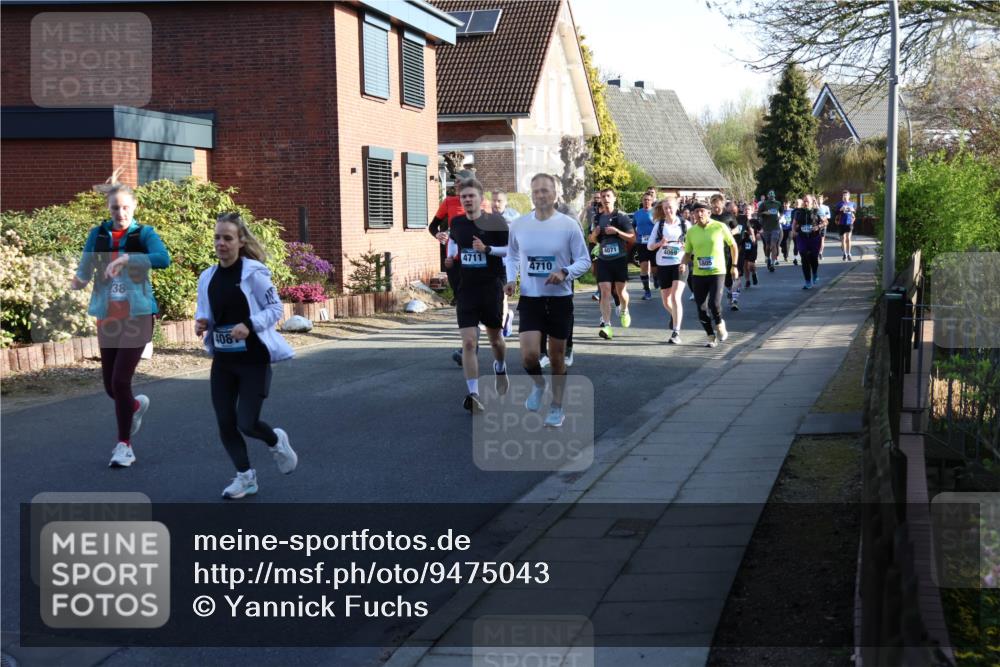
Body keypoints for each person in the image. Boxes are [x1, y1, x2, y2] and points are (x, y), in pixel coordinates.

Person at [194, 213, 298, 499]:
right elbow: (204, 310)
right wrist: (201, 322)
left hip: (254, 360)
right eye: (217, 237)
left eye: (227, 238)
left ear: (240, 241)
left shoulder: (254, 274)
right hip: (224, 361)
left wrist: (249, 325)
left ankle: (276, 441)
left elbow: (276, 310)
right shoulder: (208, 277)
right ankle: (246, 477)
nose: (221, 243)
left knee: (246, 423)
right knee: (225, 422)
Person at [71, 178, 171, 468]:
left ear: (134, 207)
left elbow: (163, 259)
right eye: (115, 208)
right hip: (108, 317)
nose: (121, 213)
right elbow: (86, 266)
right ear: (109, 208)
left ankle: (124, 445)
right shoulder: (98, 234)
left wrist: (128, 258)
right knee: (111, 388)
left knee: (120, 380)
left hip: (138, 315)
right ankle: (135, 406)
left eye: (126, 207)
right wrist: (78, 281)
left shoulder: (144, 234)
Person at [505, 173, 591, 427]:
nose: (540, 195)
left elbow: (584, 260)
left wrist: (565, 272)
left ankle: (557, 406)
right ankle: (539, 385)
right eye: (536, 191)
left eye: (545, 190)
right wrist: (511, 279)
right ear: (531, 195)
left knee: (556, 357)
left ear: (555, 194)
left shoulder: (568, 225)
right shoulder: (520, 225)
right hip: (531, 298)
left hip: (560, 299)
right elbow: (512, 255)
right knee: (529, 356)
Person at [444, 178, 509, 413]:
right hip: (467, 289)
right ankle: (474, 393)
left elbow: (511, 251)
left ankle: (500, 366)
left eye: (472, 196)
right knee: (469, 342)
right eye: (464, 197)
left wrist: (488, 250)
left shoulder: (496, 222)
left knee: (495, 341)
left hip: (491, 287)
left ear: (481, 200)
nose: (468, 200)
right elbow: (454, 242)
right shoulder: (458, 223)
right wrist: (450, 257)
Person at [684, 201, 738, 348]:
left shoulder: (719, 227)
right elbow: (688, 252)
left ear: (709, 213)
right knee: (701, 308)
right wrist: (682, 263)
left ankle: (720, 323)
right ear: (693, 214)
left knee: (714, 304)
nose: (699, 214)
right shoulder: (691, 231)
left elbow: (733, 245)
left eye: (702, 211)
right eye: (696, 212)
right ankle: (710, 335)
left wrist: (734, 266)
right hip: (698, 273)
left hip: (717, 271)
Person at [589, 188, 635, 339]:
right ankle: (607, 325)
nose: (605, 199)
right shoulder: (597, 218)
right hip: (603, 259)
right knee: (605, 291)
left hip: (619, 259)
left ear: (614, 198)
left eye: (608, 196)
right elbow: (592, 240)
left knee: (620, 292)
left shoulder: (621, 217)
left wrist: (616, 231)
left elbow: (632, 238)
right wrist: (594, 235)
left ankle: (624, 309)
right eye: (603, 196)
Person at [647, 195, 688, 343]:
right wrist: (659, 244)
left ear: (676, 207)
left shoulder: (685, 224)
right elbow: (649, 246)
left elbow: (693, 244)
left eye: (670, 207)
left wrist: (687, 247)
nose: (668, 210)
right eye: (665, 208)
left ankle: (676, 332)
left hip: (680, 263)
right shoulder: (660, 225)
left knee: (676, 297)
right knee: (666, 301)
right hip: (663, 264)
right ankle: (676, 315)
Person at [492, 190, 518, 337]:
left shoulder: (514, 218)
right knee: (493, 296)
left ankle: (500, 328)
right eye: (494, 200)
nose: (495, 204)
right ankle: (507, 315)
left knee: (502, 296)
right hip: (491, 263)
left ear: (506, 203)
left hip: (506, 262)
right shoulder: (486, 219)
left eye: (499, 201)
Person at [791, 195, 823, 289]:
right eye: (804, 201)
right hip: (802, 238)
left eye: (807, 201)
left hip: (814, 238)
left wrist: (818, 227)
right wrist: (793, 231)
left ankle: (815, 273)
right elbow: (794, 223)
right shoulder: (799, 212)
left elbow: (825, 222)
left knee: (813, 258)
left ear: (812, 202)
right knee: (804, 258)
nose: (805, 203)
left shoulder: (817, 211)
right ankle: (807, 282)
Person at [632, 192, 657, 299]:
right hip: (641, 243)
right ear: (642, 201)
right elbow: (633, 226)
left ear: (652, 201)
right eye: (644, 200)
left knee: (655, 269)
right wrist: (635, 236)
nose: (646, 201)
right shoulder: (637, 214)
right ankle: (647, 291)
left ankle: (656, 278)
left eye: (648, 200)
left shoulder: (656, 213)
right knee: (643, 267)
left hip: (654, 243)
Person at [758, 189, 783, 271]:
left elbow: (782, 211)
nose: (772, 197)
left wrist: (780, 216)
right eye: (770, 196)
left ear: (774, 196)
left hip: (776, 228)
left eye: (773, 196)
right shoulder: (764, 204)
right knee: (768, 246)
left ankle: (772, 263)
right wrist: (765, 213)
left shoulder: (778, 203)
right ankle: (767, 258)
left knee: (773, 244)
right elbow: (758, 213)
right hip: (766, 228)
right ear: (768, 196)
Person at [835, 190, 857, 260]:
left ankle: (849, 253)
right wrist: (841, 209)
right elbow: (836, 212)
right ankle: (844, 253)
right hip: (841, 223)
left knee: (848, 238)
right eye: (844, 195)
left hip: (849, 223)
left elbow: (855, 211)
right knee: (843, 239)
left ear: (849, 196)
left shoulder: (853, 203)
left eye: (846, 195)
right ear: (842, 196)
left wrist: (852, 209)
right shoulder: (839, 204)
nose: (845, 196)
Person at [816, 193, 831, 260]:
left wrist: (823, 217)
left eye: (820, 199)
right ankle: (815, 252)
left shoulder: (826, 207)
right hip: (815, 225)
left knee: (822, 239)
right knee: (815, 239)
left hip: (823, 225)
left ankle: (820, 253)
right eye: (818, 199)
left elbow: (829, 216)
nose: (819, 201)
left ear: (822, 200)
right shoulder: (814, 207)